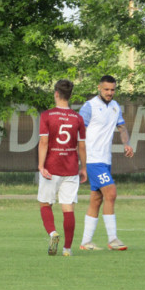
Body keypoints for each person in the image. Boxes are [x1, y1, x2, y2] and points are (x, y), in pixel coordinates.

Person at [78, 75, 133, 251]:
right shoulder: (90, 106)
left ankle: (85, 242)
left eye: (112, 89)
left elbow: (122, 127)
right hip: (93, 160)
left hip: (105, 159)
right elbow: (79, 132)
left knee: (96, 199)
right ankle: (113, 239)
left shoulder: (116, 107)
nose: (110, 93)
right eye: (106, 89)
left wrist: (126, 144)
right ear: (99, 88)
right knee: (111, 193)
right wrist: (82, 160)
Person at [38, 79, 87, 257]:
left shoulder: (47, 115)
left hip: (51, 167)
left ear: (56, 94)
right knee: (68, 208)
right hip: (71, 168)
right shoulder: (78, 118)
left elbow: (43, 142)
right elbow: (81, 146)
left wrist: (41, 165)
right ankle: (67, 249)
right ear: (70, 95)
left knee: (45, 203)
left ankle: (52, 233)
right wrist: (84, 168)